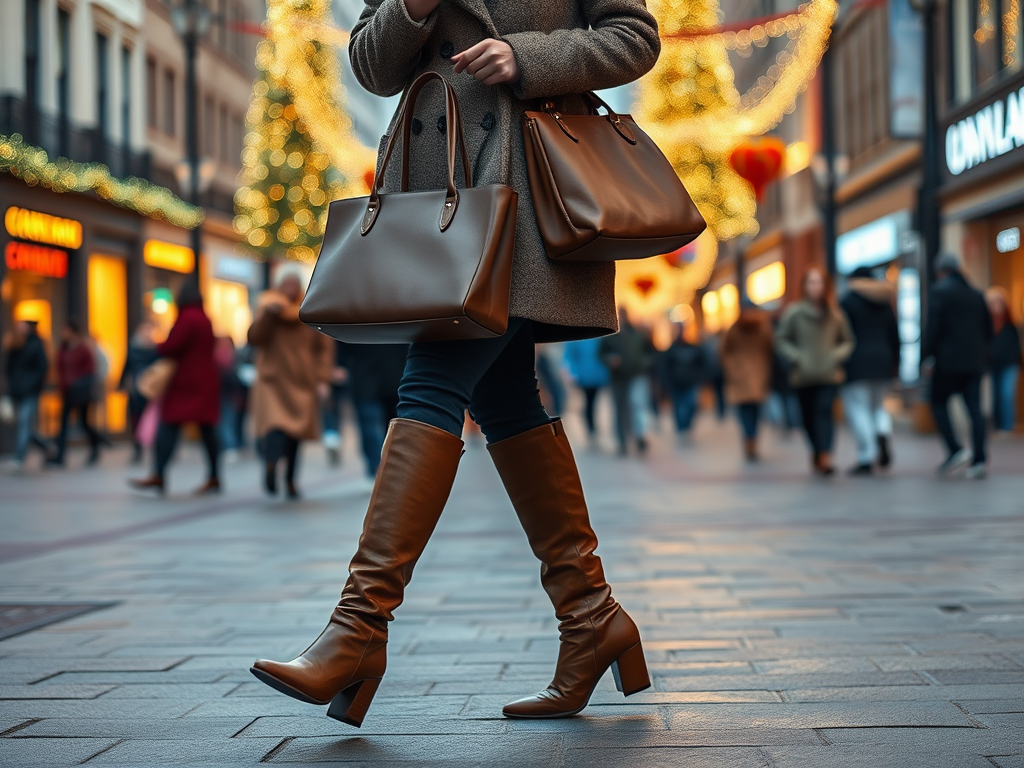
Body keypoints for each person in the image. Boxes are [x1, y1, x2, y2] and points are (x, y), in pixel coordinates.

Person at [250, 0, 658, 726]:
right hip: (437, 200)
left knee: (433, 381)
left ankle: (358, 629)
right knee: (504, 401)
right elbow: (371, 65)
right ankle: (592, 618)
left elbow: (633, 37)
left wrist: (528, 58)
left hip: (526, 199)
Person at [129, 281, 221, 495]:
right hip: (204, 382)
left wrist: (156, 345)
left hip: (186, 383)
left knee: (169, 426)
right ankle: (214, 476)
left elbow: (172, 346)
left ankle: (159, 473)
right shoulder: (204, 318)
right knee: (207, 430)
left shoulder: (187, 318)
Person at [248, 272, 333, 499]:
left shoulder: (310, 310)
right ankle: (271, 465)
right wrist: (268, 316)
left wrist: (323, 379)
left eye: (293, 284)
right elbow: (255, 338)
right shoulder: (268, 306)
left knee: (296, 434)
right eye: (285, 284)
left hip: (301, 381)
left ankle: (291, 480)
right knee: (274, 428)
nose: (289, 288)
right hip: (273, 381)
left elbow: (324, 347)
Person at [775, 267, 855, 476]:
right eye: (811, 282)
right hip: (803, 376)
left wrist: (835, 356)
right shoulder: (794, 313)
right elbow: (781, 339)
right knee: (808, 418)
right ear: (804, 286)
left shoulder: (835, 314)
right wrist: (796, 356)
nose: (815, 287)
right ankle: (817, 451)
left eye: (819, 282)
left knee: (824, 412)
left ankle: (825, 455)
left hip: (828, 375)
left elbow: (847, 341)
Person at [923, 252, 993, 478]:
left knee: (937, 401)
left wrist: (925, 357)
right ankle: (979, 459)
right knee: (975, 409)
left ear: (941, 271)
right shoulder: (976, 294)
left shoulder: (939, 293)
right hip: (973, 362)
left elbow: (932, 329)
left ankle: (955, 448)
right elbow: (988, 330)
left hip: (947, 362)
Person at [839, 266, 901, 475]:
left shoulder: (848, 301)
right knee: (877, 407)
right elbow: (895, 333)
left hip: (857, 362)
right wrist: (896, 363)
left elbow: (841, 335)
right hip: (883, 361)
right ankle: (882, 433)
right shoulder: (884, 301)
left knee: (859, 408)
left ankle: (866, 456)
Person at [339, 343, 408, 478]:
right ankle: (382, 468)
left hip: (372, 371)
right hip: (391, 371)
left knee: (377, 425)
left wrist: (340, 362)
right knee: (384, 424)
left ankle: (379, 468)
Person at [721, 302, 774, 462]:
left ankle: (750, 439)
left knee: (751, 410)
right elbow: (724, 351)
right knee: (748, 409)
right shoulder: (736, 329)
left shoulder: (762, 327)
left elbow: (770, 348)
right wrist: (732, 368)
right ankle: (751, 439)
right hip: (747, 374)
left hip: (754, 373)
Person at [599, 308, 656, 455]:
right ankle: (622, 441)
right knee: (620, 409)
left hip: (637, 374)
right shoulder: (609, 336)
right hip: (618, 377)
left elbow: (649, 352)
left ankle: (639, 436)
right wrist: (610, 359)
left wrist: (643, 363)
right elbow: (600, 354)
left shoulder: (637, 334)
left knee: (637, 404)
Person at [51, 319, 103, 467]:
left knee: (84, 423)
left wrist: (77, 382)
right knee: (63, 425)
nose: (63, 333)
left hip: (81, 394)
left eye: (66, 330)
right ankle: (60, 456)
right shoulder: (63, 349)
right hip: (67, 392)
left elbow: (90, 370)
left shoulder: (83, 349)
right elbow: (59, 368)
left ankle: (95, 445)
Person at [2, 320, 51, 470]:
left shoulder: (36, 345)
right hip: (17, 392)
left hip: (30, 391)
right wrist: (9, 392)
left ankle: (19, 458)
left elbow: (42, 368)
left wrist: (31, 384)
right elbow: (9, 370)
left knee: (24, 422)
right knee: (24, 425)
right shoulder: (13, 345)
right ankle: (46, 446)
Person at [119, 322, 159, 464]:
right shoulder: (133, 348)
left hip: (149, 389)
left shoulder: (154, 349)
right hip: (135, 389)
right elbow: (126, 366)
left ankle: (152, 446)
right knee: (135, 418)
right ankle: (138, 448)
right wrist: (121, 383)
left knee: (149, 419)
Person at [986, 286, 1021, 435]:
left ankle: (1007, 426)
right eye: (993, 303)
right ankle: (998, 426)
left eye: (999, 302)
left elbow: (1016, 346)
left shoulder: (1010, 325)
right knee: (995, 395)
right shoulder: (986, 325)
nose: (996, 306)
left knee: (1006, 393)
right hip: (993, 364)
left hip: (1010, 364)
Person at [663, 322, 706, 442]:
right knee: (678, 407)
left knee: (691, 405)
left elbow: (701, 363)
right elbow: (665, 368)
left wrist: (699, 377)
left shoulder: (693, 348)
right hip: (675, 383)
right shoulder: (670, 350)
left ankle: (686, 426)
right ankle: (681, 428)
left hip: (690, 382)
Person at [563, 338, 610, 444]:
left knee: (592, 402)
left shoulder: (595, 337)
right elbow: (569, 356)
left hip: (595, 375)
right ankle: (591, 427)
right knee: (589, 402)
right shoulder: (577, 338)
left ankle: (591, 427)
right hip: (585, 376)